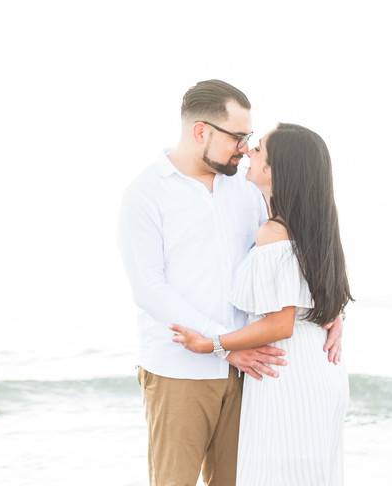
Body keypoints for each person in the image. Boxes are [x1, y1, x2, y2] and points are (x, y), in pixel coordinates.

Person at [118, 80, 343, 486]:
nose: (244, 147)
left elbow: (298, 248)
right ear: (200, 131)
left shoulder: (248, 187)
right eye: (238, 137)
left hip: (249, 375)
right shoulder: (146, 193)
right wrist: (223, 345)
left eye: (249, 138)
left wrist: (331, 308)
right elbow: (149, 289)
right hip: (181, 372)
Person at [171, 123, 353, 485]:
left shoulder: (274, 232)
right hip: (315, 367)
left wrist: (211, 345)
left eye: (259, 150)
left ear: (274, 170)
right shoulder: (313, 227)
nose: (249, 151)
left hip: (285, 368)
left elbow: (278, 324)